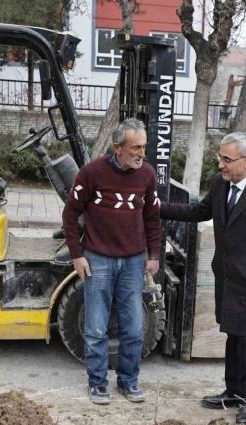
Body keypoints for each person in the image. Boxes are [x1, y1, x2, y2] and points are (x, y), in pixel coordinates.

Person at [160, 132, 246, 425]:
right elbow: (199, 211)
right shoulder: (220, 186)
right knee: (233, 337)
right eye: (220, 158)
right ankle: (233, 392)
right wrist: (159, 208)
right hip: (228, 279)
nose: (221, 165)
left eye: (226, 159)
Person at [62, 118, 160, 405]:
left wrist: (153, 255)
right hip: (98, 259)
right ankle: (97, 383)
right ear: (117, 147)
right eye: (136, 148)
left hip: (132, 262)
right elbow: (70, 215)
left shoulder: (147, 175)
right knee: (95, 327)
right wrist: (77, 255)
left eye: (144, 147)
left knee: (133, 329)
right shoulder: (91, 173)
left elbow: (152, 218)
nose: (142, 154)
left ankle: (129, 382)